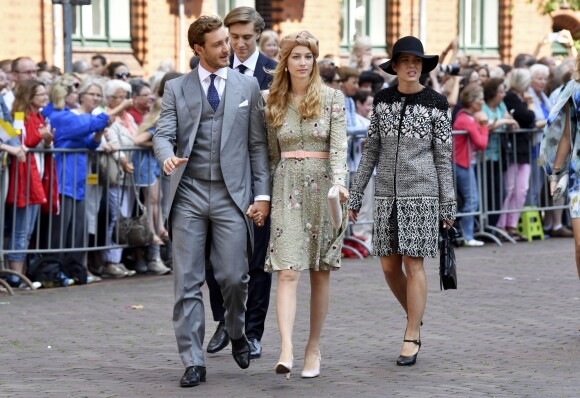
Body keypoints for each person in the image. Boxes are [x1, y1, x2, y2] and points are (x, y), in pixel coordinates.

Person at [152, 15, 270, 387]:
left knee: (235, 277)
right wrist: (166, 156)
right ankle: (193, 360)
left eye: (228, 41)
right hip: (187, 193)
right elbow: (162, 134)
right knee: (186, 282)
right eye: (219, 43)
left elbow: (257, 146)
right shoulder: (176, 88)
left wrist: (262, 195)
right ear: (198, 49)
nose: (228, 48)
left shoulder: (247, 86)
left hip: (230, 194)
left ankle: (236, 330)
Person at [348, 36, 456, 366]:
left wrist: (447, 202)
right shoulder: (381, 101)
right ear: (394, 66)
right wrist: (355, 194)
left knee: (414, 262)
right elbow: (371, 153)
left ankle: (412, 333)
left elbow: (443, 157)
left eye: (417, 61)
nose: (412, 65)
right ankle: (415, 312)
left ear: (422, 66)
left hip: (422, 194)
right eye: (405, 60)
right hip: (384, 195)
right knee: (388, 265)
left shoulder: (437, 103)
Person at [262, 30, 348, 379]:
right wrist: (264, 197)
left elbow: (340, 147)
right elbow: (269, 154)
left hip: (325, 188)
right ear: (285, 61)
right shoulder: (271, 101)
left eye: (308, 56)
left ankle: (313, 346)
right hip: (286, 186)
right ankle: (286, 347)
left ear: (314, 60)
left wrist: (341, 183)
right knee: (286, 269)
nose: (302, 62)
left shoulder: (332, 99)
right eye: (296, 56)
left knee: (320, 270)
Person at [202, 6, 278, 360]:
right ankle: (225, 320)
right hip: (217, 181)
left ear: (259, 34)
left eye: (247, 37)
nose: (239, 44)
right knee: (213, 258)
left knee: (257, 258)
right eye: (234, 38)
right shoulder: (211, 69)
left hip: (261, 177)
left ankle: (252, 332)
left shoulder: (274, 74)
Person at [5, 80, 54, 280]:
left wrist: (48, 140)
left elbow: (41, 146)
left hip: (36, 175)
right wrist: (39, 136)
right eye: (40, 94)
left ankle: (19, 273)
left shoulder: (40, 115)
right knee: (21, 230)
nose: (45, 97)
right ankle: (15, 276)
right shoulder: (17, 116)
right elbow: (19, 143)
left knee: (27, 231)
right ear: (29, 96)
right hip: (23, 177)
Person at [540, 55, 580, 279]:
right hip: (578, 176)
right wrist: (555, 173)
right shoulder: (574, 88)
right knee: (579, 246)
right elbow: (567, 135)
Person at [497, 68, 535, 240]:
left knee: (522, 188)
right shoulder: (511, 97)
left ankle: (512, 223)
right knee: (510, 187)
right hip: (513, 149)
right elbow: (527, 117)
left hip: (523, 149)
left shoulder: (520, 98)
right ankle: (502, 225)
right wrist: (531, 105)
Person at [452, 84, 489, 246]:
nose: (482, 102)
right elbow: (481, 143)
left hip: (464, 163)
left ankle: (467, 235)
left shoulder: (466, 117)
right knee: (471, 200)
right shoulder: (465, 119)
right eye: (480, 99)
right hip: (462, 164)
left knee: (470, 199)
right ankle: (468, 236)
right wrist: (485, 125)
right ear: (473, 102)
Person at [481, 78, 519, 227]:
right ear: (492, 93)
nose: (504, 95)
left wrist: (507, 122)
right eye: (501, 91)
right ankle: (485, 227)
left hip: (499, 156)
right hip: (484, 157)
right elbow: (487, 127)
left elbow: (513, 125)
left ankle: (492, 226)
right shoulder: (483, 107)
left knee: (500, 192)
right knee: (487, 193)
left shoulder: (501, 105)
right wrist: (505, 121)